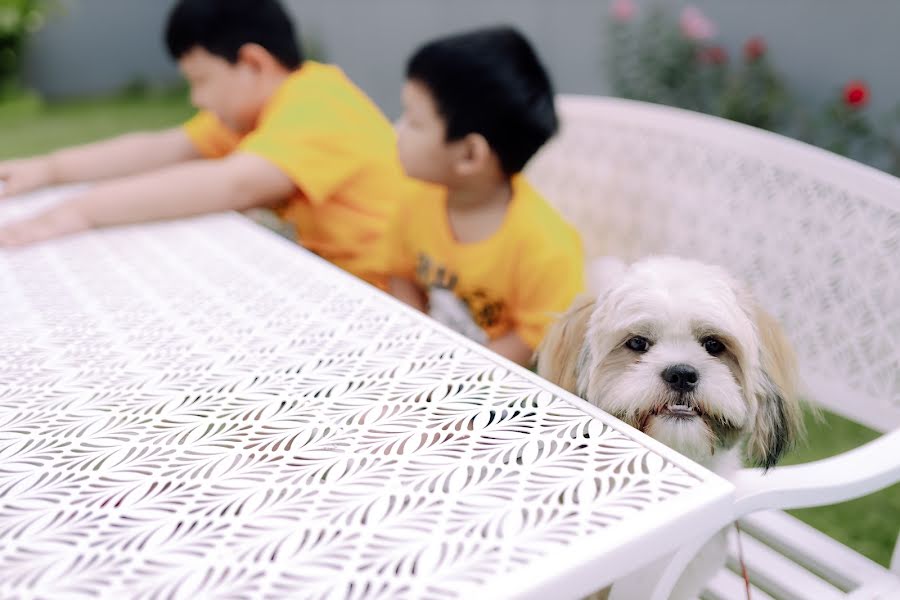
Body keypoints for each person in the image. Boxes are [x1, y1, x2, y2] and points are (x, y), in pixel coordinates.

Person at [0, 0, 408, 287]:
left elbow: (232, 184)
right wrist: (48, 169)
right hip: (332, 280)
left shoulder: (318, 107)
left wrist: (77, 212)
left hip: (390, 298)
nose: (198, 100)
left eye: (200, 81)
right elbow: (162, 148)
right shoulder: (257, 110)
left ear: (252, 63)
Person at [384, 26, 585, 366]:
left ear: (470, 155)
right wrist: (417, 343)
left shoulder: (546, 247)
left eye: (415, 123)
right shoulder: (414, 200)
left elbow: (534, 338)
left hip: (498, 387)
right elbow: (400, 273)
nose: (398, 131)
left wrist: (456, 372)